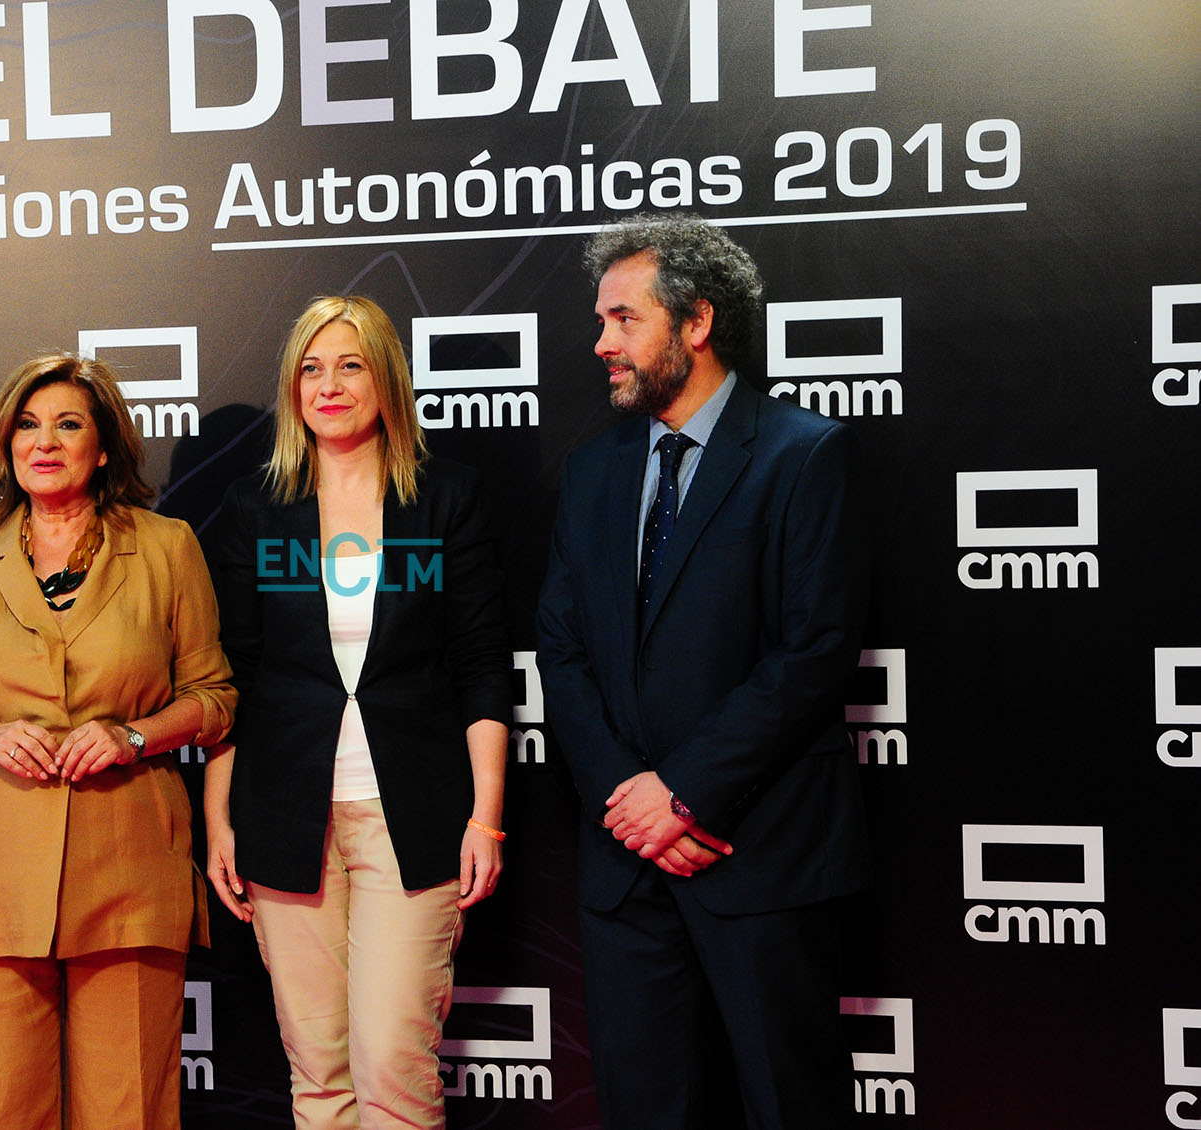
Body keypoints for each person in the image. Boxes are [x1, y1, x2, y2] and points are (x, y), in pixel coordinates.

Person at [535, 214, 872, 1130]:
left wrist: (683, 793)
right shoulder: (592, 469)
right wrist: (629, 801)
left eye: (622, 319)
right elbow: (560, 652)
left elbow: (812, 652)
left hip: (756, 852)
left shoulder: (803, 454)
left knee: (784, 1104)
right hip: (626, 866)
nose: (600, 343)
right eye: (600, 321)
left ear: (695, 323)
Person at [0, 353, 235, 1130]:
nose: (43, 441)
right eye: (26, 424)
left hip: (127, 866)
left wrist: (132, 734)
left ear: (104, 446)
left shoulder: (166, 548)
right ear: (6, 443)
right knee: (0, 1112)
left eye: (67, 424)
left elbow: (213, 700)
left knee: (131, 1113)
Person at [204, 295, 511, 1129]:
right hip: (281, 814)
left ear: (387, 379)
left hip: (410, 814)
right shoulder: (252, 508)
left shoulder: (445, 499)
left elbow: (483, 665)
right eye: (310, 368)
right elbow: (231, 676)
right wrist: (218, 821)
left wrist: (486, 819)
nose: (328, 386)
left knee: (392, 1067)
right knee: (321, 1071)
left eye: (349, 365)